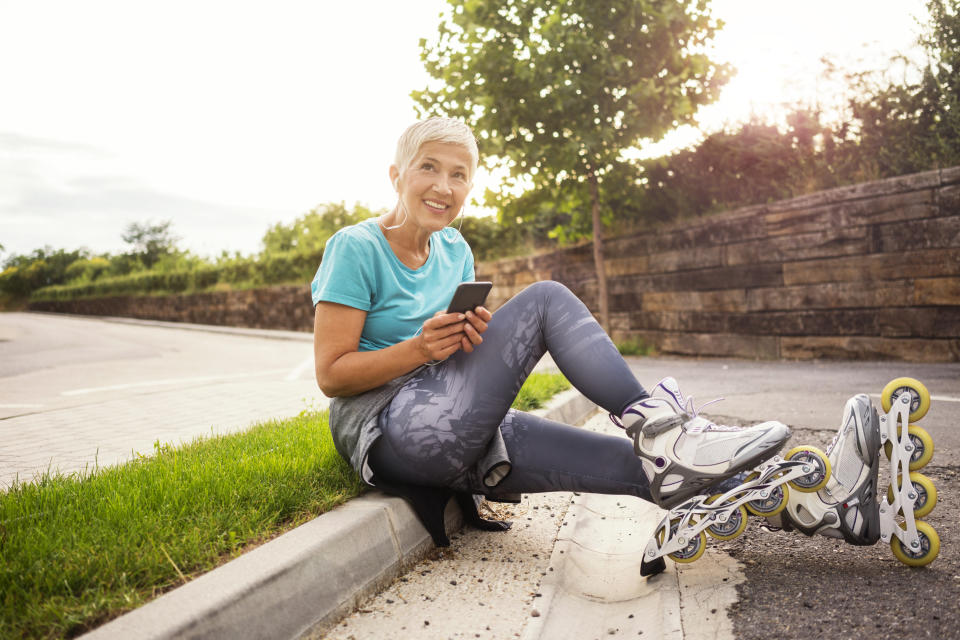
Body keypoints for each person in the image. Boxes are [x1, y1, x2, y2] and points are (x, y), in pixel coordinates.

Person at [311, 117, 789, 547]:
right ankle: (667, 431)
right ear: (397, 177)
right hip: (389, 429)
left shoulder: (455, 249)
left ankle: (802, 499)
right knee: (545, 300)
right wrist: (419, 348)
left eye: (459, 174)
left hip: (458, 423)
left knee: (641, 466)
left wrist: (466, 339)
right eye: (429, 168)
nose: (444, 185)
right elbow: (332, 376)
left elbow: (452, 366)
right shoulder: (356, 247)